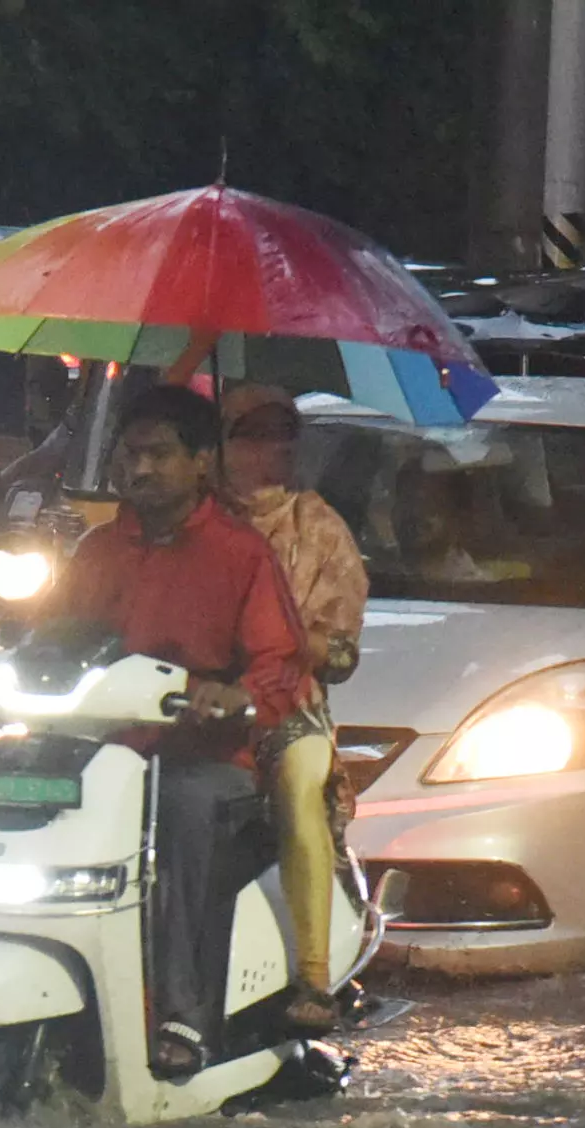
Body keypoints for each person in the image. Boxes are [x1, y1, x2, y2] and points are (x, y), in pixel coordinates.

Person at [54, 384, 308, 1079]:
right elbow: (53, 644)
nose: (139, 471)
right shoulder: (98, 550)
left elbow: (281, 663)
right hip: (102, 750)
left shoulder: (241, 555)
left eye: (158, 455)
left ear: (201, 463)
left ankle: (184, 1015)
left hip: (204, 760)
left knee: (185, 811)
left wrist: (236, 696)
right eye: (130, 455)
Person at [221, 383, 367, 1033]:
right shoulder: (188, 523)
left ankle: (312, 975)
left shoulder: (316, 527)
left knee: (299, 790)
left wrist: (288, 639)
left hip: (285, 707)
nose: (271, 449)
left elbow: (340, 653)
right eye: (251, 434)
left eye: (282, 433)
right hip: (179, 703)